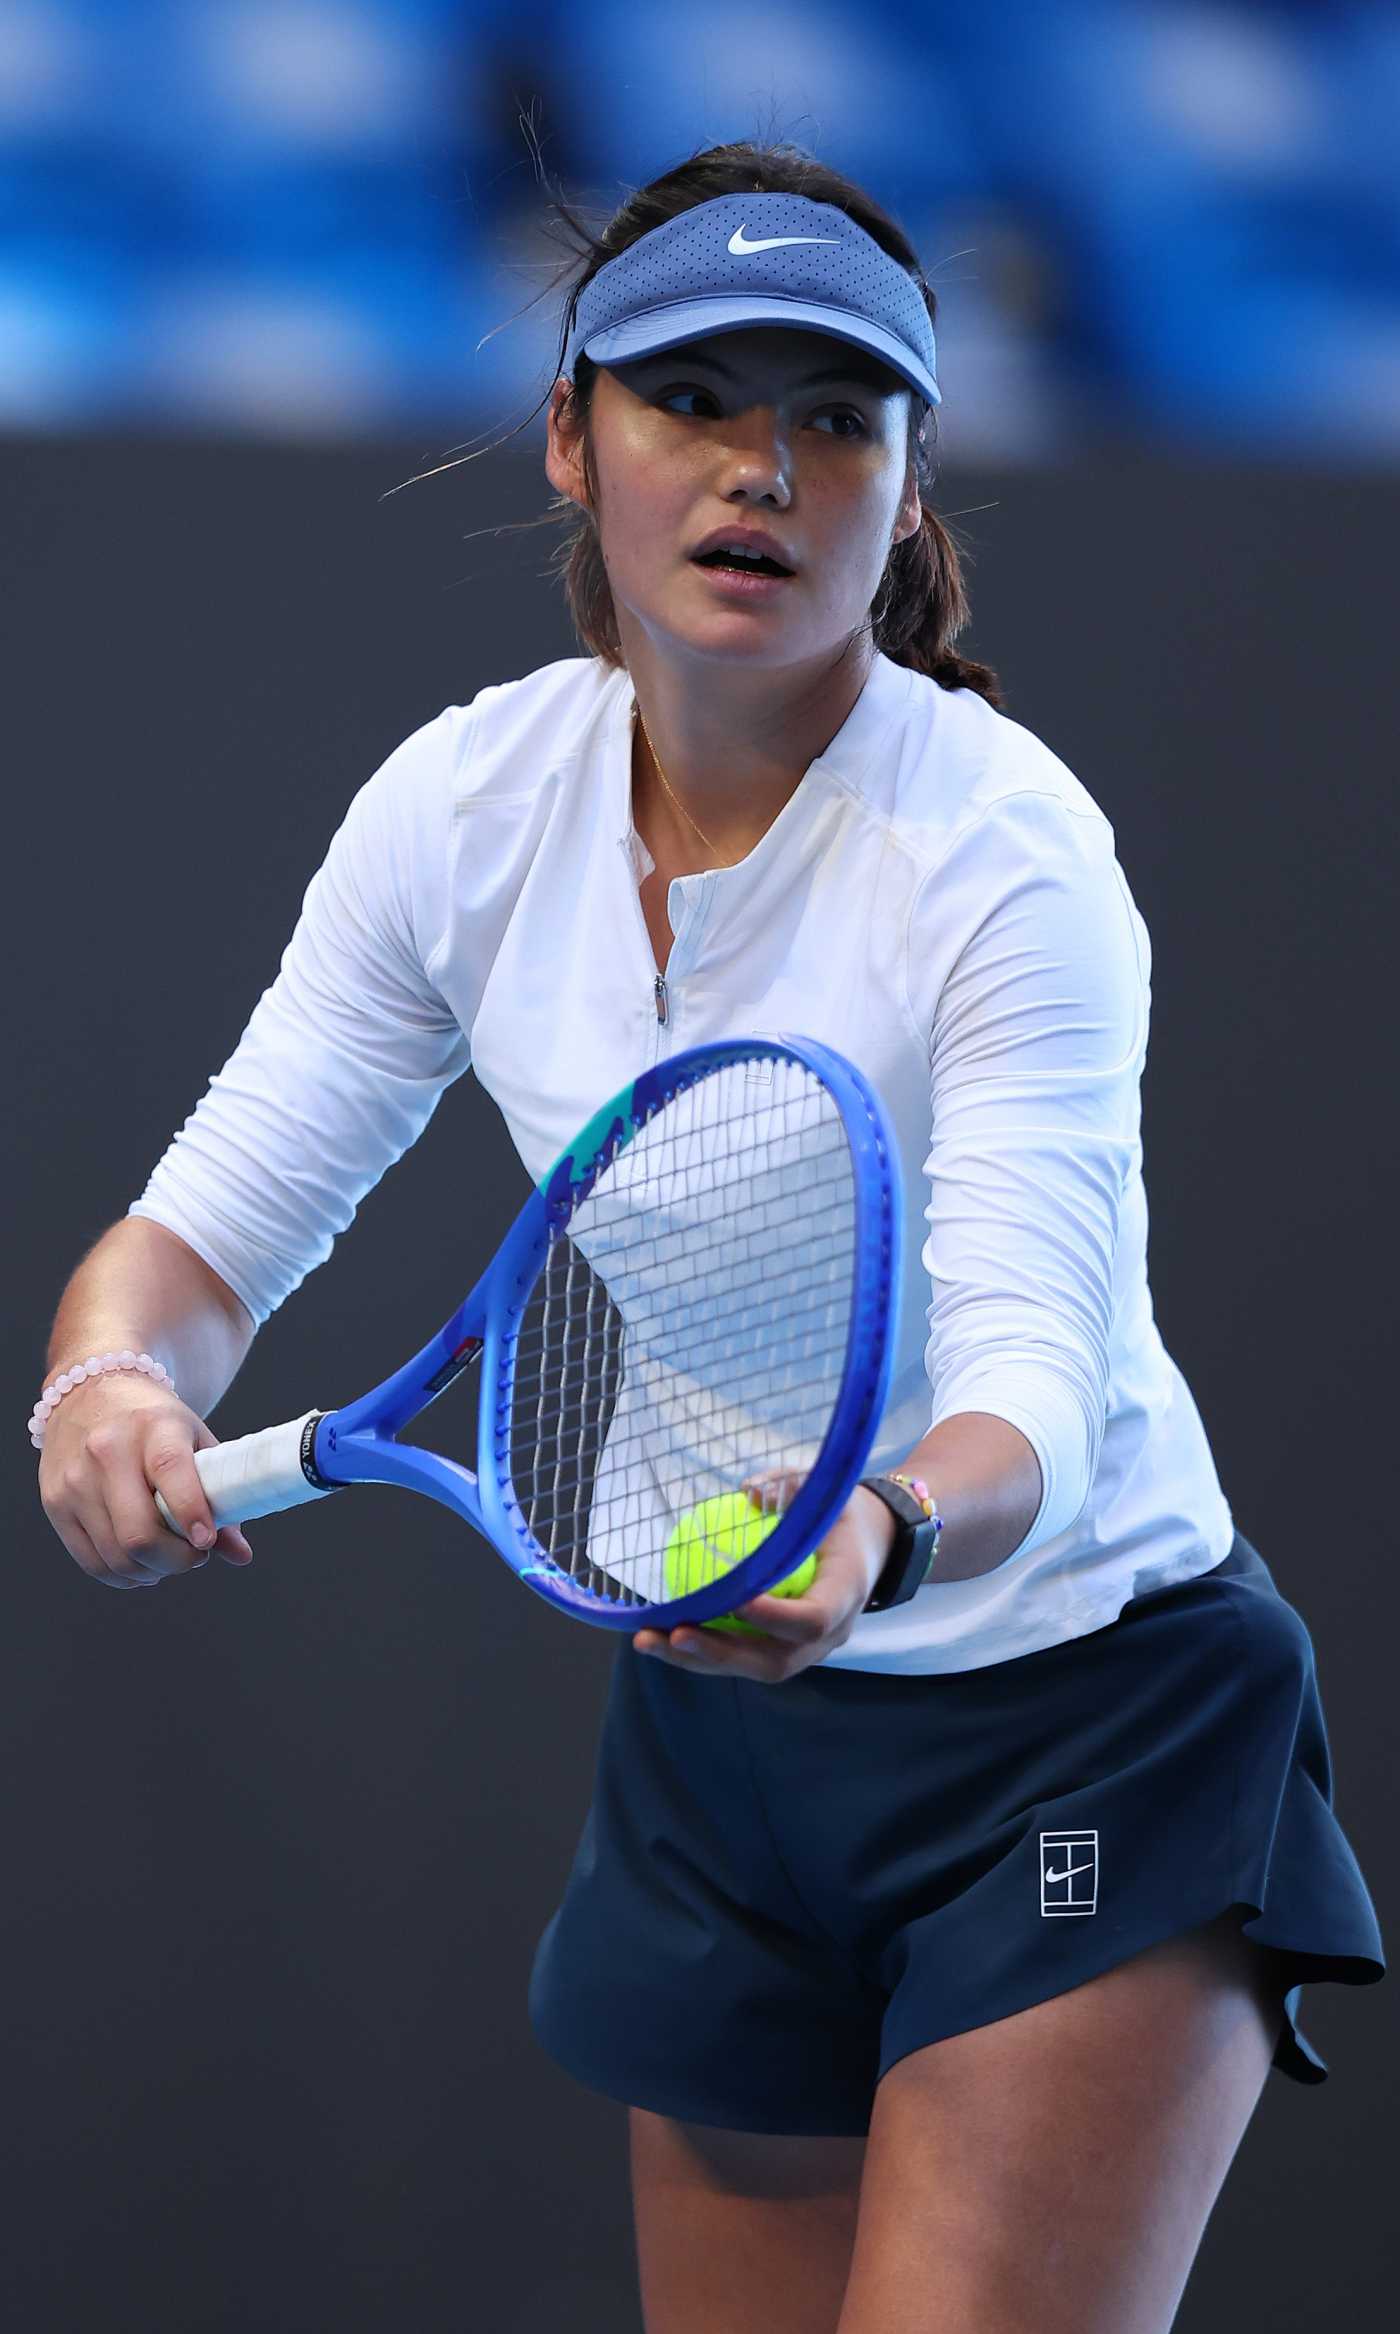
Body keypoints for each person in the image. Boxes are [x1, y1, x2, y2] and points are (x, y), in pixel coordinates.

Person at [34, 141, 1383, 2334]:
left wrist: (875, 1532)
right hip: (727, 1735)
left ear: (910, 489)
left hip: (1083, 1725)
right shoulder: (462, 813)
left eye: (836, 417)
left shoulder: (1006, 853)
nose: (763, 468)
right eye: (689, 397)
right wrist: (107, 1382)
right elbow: (200, 1232)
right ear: (572, 439)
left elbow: (1032, 1379)